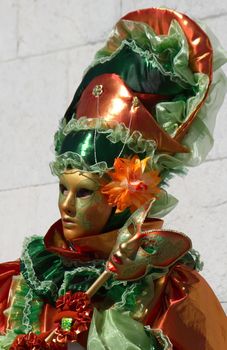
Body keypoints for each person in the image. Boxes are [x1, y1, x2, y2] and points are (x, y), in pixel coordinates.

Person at [0, 7, 227, 350]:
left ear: (120, 198)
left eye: (84, 192)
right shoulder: (19, 285)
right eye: (63, 188)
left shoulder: (171, 293)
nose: (66, 205)